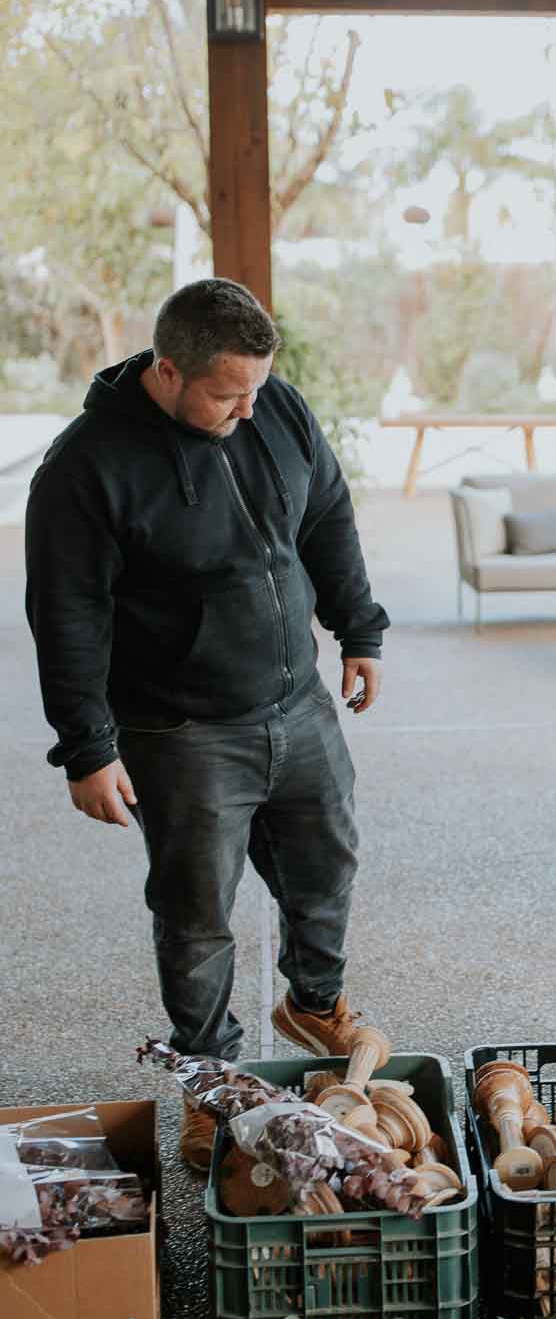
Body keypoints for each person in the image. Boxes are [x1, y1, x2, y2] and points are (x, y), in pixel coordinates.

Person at [25, 278, 390, 1163]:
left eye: (259, 387)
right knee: (196, 918)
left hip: (295, 702)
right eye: (228, 393)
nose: (249, 408)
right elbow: (68, 613)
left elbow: (327, 515)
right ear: (166, 370)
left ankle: (312, 1001)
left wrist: (359, 629)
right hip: (179, 731)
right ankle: (206, 1073)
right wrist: (87, 749)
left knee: (327, 864)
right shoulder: (85, 468)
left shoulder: (275, 409)